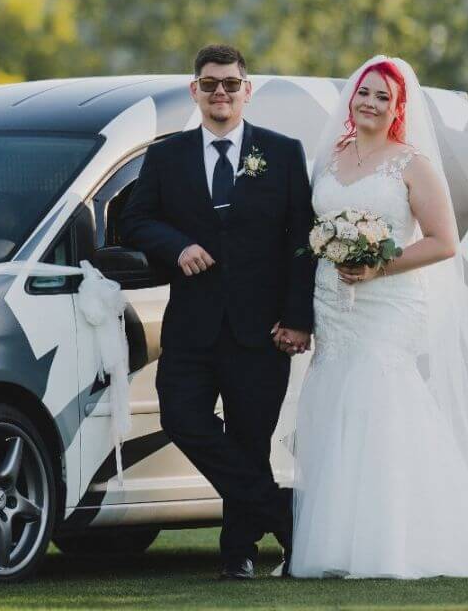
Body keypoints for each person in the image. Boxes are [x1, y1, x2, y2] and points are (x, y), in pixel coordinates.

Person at [290, 55, 468, 578]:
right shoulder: (331, 159)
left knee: (380, 399)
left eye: (383, 96)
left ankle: (397, 542)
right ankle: (338, 545)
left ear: (398, 107)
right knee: (337, 405)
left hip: (387, 303)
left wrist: (377, 267)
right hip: (332, 304)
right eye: (364, 92)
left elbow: (444, 242)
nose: (370, 102)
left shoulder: (412, 164)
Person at [120, 43, 315, 580]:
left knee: (250, 441)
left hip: (263, 331)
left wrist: (299, 319)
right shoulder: (167, 156)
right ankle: (283, 513)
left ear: (246, 91)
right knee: (182, 419)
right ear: (195, 90)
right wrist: (177, 245)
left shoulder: (283, 153)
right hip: (192, 328)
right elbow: (134, 221)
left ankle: (238, 555)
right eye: (210, 84)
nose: (220, 92)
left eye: (230, 83)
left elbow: (302, 241)